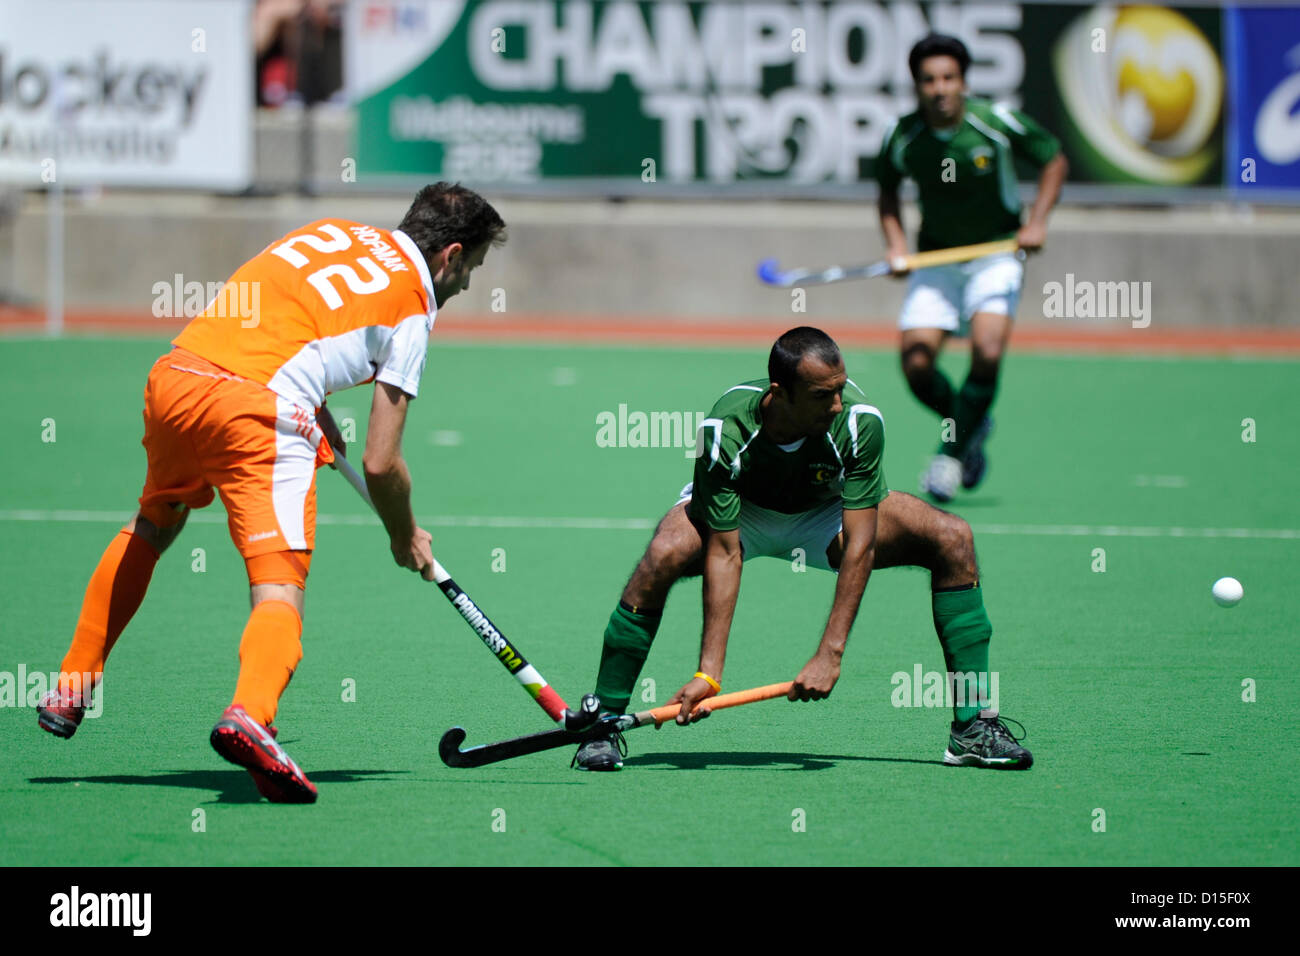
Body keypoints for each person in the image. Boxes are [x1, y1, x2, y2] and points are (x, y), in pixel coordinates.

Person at [37, 183, 506, 803]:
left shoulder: (330, 232)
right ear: (449, 255)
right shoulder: (414, 308)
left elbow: (285, 325)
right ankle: (252, 716)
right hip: (256, 412)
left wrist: (312, 403)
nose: (468, 285)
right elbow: (382, 462)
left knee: (154, 523)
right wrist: (403, 533)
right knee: (279, 586)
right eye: (471, 268)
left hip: (178, 377)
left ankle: (72, 684)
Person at [574, 327, 1032, 772]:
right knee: (663, 554)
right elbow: (724, 552)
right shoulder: (726, 429)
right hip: (745, 513)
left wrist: (830, 653)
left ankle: (973, 727)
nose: (836, 404)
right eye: (821, 395)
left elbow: (861, 544)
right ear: (781, 392)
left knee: (953, 538)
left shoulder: (857, 421)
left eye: (839, 389)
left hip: (826, 512)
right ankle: (603, 724)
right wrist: (709, 672)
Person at [877, 33, 1068, 502]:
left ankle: (950, 455)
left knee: (986, 351)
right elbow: (886, 191)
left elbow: (1053, 159)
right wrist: (896, 245)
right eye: (929, 80)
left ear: (963, 81)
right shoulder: (903, 137)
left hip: (996, 255)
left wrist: (1037, 221)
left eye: (949, 78)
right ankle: (973, 422)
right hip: (936, 260)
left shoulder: (994, 123)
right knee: (917, 364)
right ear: (916, 85)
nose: (940, 88)